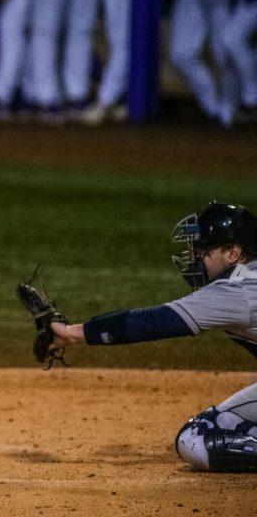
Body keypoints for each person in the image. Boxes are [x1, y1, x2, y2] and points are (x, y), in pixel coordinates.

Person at [43, 202, 257, 472]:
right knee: (224, 424)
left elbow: (154, 322)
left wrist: (72, 333)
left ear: (234, 253)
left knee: (197, 437)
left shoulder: (235, 292)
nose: (197, 257)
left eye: (204, 250)